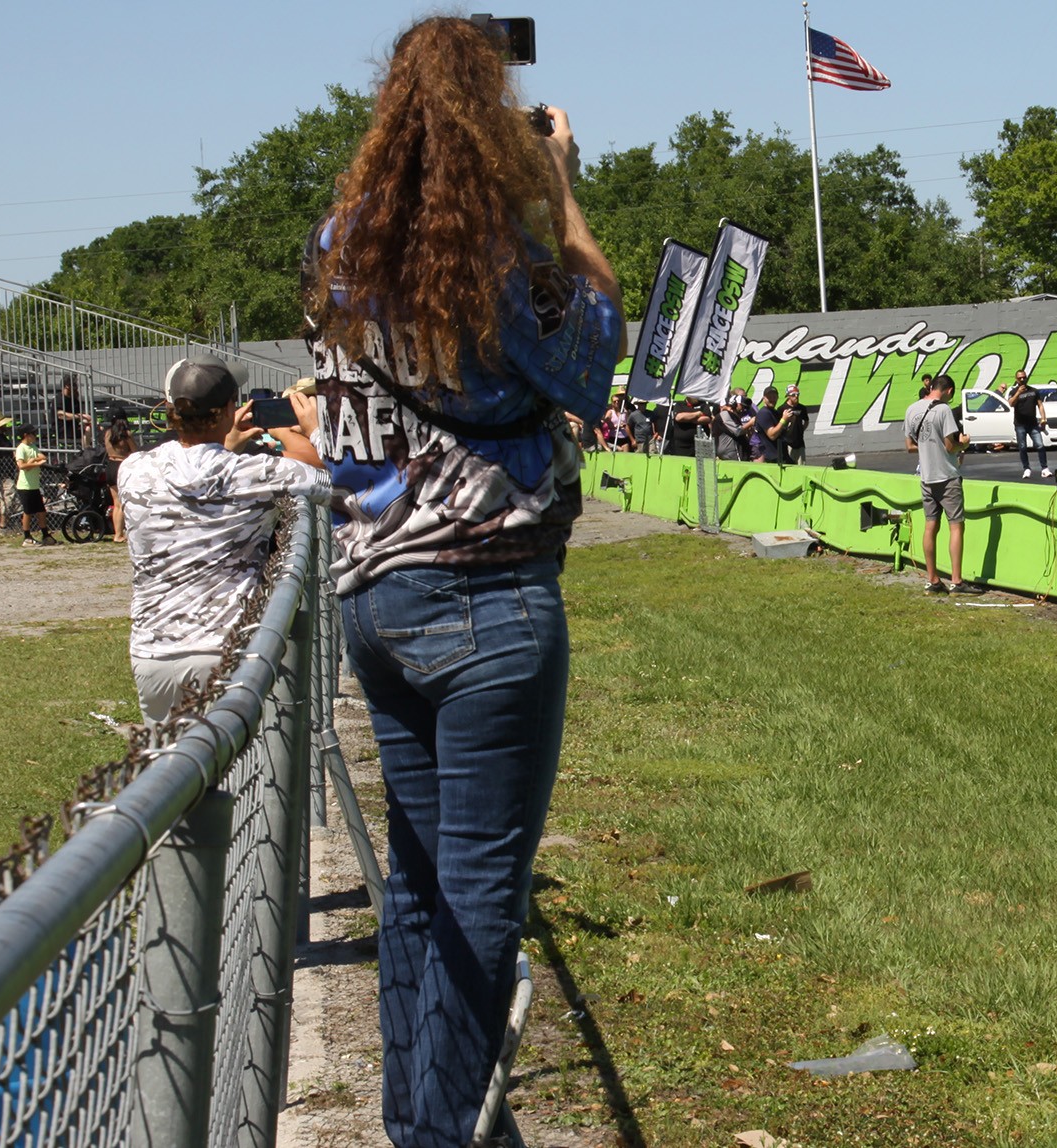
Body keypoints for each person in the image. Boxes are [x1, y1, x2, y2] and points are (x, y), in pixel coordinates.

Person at [301, 17, 624, 1145]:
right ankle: (440, 1135)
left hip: (375, 598)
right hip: (488, 599)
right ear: (491, 127)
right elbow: (594, 356)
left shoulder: (335, 245)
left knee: (420, 880)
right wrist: (560, 190)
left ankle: (414, 1116)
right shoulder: (491, 263)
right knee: (482, 898)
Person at [120, 354, 328, 723]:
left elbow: (194, 475)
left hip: (152, 651)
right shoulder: (254, 473)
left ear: (170, 409)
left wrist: (223, 442)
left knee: (173, 773)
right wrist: (307, 430)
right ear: (231, 408)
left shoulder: (133, 469)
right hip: (228, 649)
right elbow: (329, 480)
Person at [904, 374, 981, 594]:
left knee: (930, 526)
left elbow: (909, 445)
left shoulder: (912, 409)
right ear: (948, 390)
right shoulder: (944, 410)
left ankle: (932, 579)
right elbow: (950, 446)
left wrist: (928, 448)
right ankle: (957, 581)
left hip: (926, 477)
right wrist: (964, 444)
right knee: (956, 526)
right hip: (946, 476)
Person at [12, 425, 54, 546]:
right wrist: (34, 463)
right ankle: (27, 537)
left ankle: (45, 534)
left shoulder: (32, 447)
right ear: (26, 435)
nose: (35, 436)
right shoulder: (21, 448)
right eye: (33, 434)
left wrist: (32, 460)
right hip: (25, 486)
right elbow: (21, 465)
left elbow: (42, 457)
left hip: (34, 485)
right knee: (28, 512)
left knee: (41, 511)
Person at [1008, 370, 1049, 477]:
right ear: (1016, 379)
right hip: (1020, 424)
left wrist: (1043, 418)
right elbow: (1011, 404)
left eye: (1024, 377)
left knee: (1039, 445)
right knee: (1022, 447)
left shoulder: (1034, 391)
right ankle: (1026, 468)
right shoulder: (1013, 391)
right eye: (1020, 378)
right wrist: (1018, 393)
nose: (1022, 379)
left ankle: (1044, 468)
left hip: (1033, 423)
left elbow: (1040, 405)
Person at [104, 421, 136, 542]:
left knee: (116, 503)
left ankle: (117, 533)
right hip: (121, 465)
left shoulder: (108, 433)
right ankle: (121, 533)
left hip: (110, 465)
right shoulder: (126, 434)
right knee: (124, 502)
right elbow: (135, 451)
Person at [54, 376, 93, 450]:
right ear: (67, 386)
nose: (76, 387)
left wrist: (88, 420)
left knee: (95, 428)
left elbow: (79, 415)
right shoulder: (59, 399)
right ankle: (86, 451)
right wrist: (79, 416)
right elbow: (60, 415)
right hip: (63, 429)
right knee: (87, 430)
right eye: (74, 385)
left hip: (74, 427)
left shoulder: (74, 400)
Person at [775, 385, 810, 464]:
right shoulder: (781, 408)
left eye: (798, 394)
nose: (796, 396)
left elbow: (806, 421)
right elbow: (778, 424)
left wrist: (801, 430)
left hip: (800, 442)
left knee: (802, 465)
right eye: (793, 395)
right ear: (788, 396)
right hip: (788, 443)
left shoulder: (802, 408)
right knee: (790, 465)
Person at [754, 386, 783, 463]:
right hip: (770, 457)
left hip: (779, 455)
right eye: (769, 397)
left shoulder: (775, 412)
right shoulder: (764, 413)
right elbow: (772, 435)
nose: (772, 399)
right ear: (764, 399)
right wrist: (784, 420)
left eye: (774, 396)